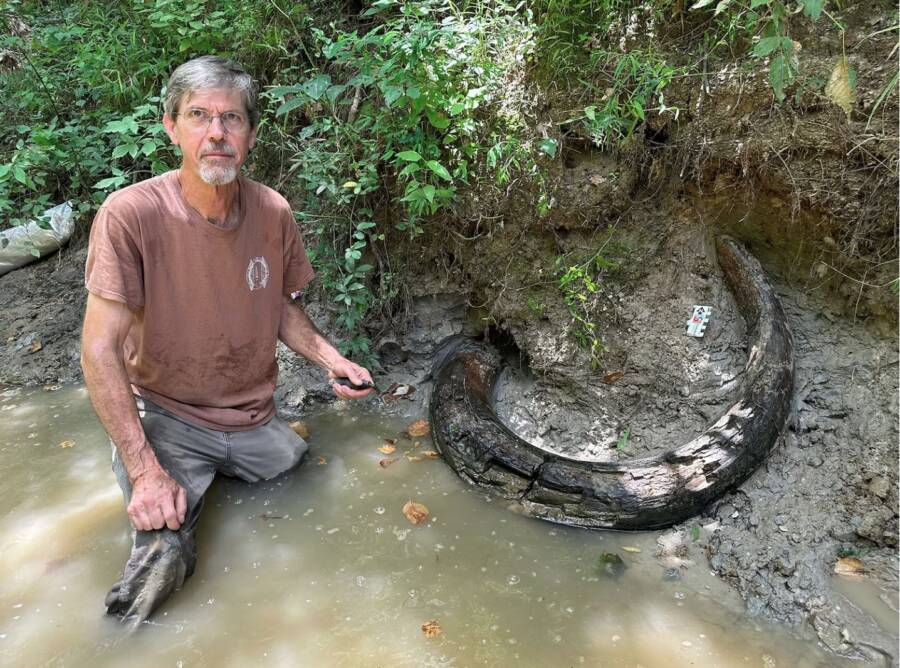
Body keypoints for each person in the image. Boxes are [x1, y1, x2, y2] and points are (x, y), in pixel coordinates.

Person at [80, 55, 373, 626]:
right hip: (167, 415)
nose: (216, 132)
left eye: (232, 119)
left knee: (300, 474)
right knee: (163, 553)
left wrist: (332, 360)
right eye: (198, 116)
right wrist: (144, 469)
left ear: (251, 134)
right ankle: (119, 643)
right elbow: (99, 349)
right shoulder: (130, 214)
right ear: (171, 126)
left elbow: (282, 309)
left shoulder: (272, 211)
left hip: (251, 418)